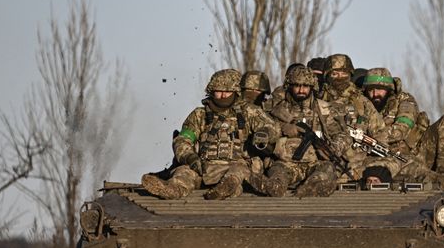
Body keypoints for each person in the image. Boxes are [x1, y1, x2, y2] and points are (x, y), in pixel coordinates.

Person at [141, 69, 279, 200]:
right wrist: (190, 158)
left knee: (237, 174)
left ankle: (225, 190)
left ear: (236, 92)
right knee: (183, 173)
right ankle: (171, 190)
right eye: (218, 91)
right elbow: (183, 139)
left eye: (227, 92)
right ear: (211, 91)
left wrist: (264, 133)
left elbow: (271, 127)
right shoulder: (199, 115)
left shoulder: (248, 112)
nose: (223, 96)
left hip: (237, 165)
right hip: (204, 166)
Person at [251, 65, 350, 198]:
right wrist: (282, 129)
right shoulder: (277, 109)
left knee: (323, 177)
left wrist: (333, 148)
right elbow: (266, 131)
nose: (301, 90)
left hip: (316, 163)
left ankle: (309, 189)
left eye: (305, 86)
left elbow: (343, 135)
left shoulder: (324, 110)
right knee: (275, 183)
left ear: (312, 87)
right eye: (297, 85)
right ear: (289, 86)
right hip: (285, 163)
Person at [361, 68, 444, 188]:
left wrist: (374, 137)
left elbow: (401, 129)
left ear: (389, 89)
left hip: (417, 153)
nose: (375, 94)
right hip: (381, 159)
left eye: (380, 89)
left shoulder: (405, 100)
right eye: (371, 90)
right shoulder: (362, 106)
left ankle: (441, 177)